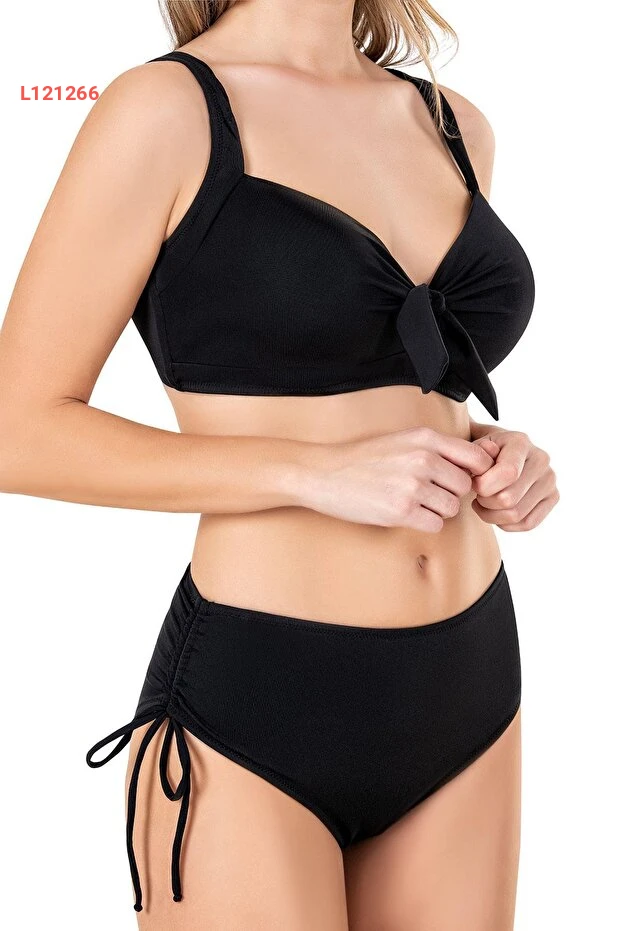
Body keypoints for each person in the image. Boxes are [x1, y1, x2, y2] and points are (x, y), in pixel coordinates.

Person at [0, 1, 559, 928]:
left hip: (467, 676)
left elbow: (412, 389)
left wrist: (500, 457)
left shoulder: (453, 123)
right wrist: (311, 474)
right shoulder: (164, 111)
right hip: (260, 693)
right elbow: (17, 430)